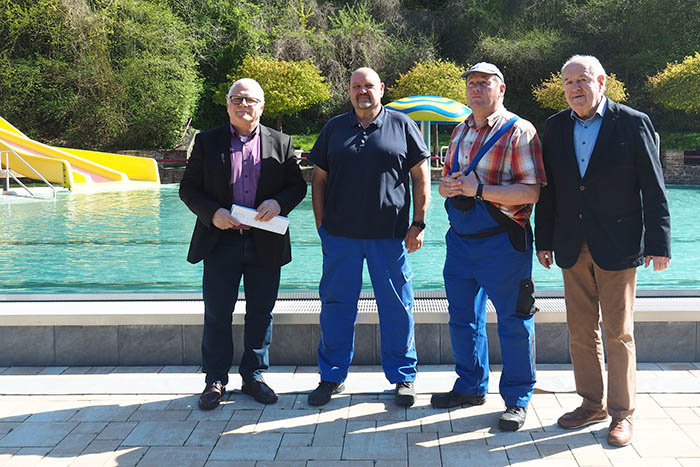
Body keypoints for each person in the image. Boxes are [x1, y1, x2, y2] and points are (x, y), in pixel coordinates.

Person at [535, 55, 671, 445]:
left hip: (619, 244)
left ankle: (622, 413)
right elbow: (550, 190)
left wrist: (658, 244)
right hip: (571, 246)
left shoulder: (632, 122)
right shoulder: (555, 126)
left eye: (582, 80)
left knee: (619, 334)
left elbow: (654, 190)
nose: (575, 88)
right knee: (580, 332)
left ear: (602, 81)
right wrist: (543, 240)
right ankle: (590, 403)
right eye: (568, 82)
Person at [431, 62, 546, 432]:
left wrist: (477, 190)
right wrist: (447, 187)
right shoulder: (460, 130)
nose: (476, 88)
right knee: (463, 320)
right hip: (461, 242)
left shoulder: (519, 131)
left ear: (501, 89)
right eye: (471, 83)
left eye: (484, 83)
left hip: (503, 244)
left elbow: (531, 192)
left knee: (514, 321)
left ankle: (517, 398)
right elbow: (450, 180)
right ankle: (470, 386)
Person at [180, 78, 307, 410]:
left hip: (265, 242)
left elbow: (297, 187)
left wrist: (279, 203)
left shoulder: (281, 142)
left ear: (261, 106)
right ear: (227, 105)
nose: (243, 105)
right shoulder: (207, 142)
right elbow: (188, 189)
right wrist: (213, 213)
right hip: (220, 241)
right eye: (236, 99)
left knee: (261, 312)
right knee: (218, 313)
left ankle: (254, 376)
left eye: (250, 100)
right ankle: (215, 380)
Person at [307, 67, 430, 407]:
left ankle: (403, 377)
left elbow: (421, 177)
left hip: (389, 238)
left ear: (382, 89)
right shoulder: (334, 128)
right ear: (349, 91)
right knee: (336, 307)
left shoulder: (403, 126)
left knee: (397, 308)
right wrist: (322, 227)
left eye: (369, 86)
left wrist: (418, 223)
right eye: (356, 86)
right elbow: (318, 180)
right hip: (341, 238)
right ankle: (331, 376)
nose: (363, 91)